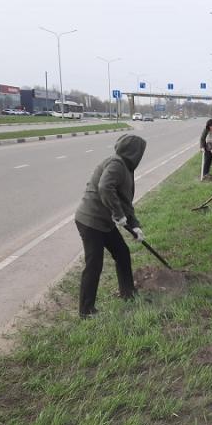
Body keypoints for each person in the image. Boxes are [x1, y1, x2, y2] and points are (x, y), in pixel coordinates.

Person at [74, 134, 147, 318]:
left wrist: (134, 225)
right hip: (90, 221)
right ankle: (86, 311)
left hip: (104, 222)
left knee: (122, 253)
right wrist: (118, 214)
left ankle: (128, 293)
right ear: (134, 152)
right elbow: (105, 187)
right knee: (94, 264)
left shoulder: (126, 168)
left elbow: (124, 200)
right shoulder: (116, 164)